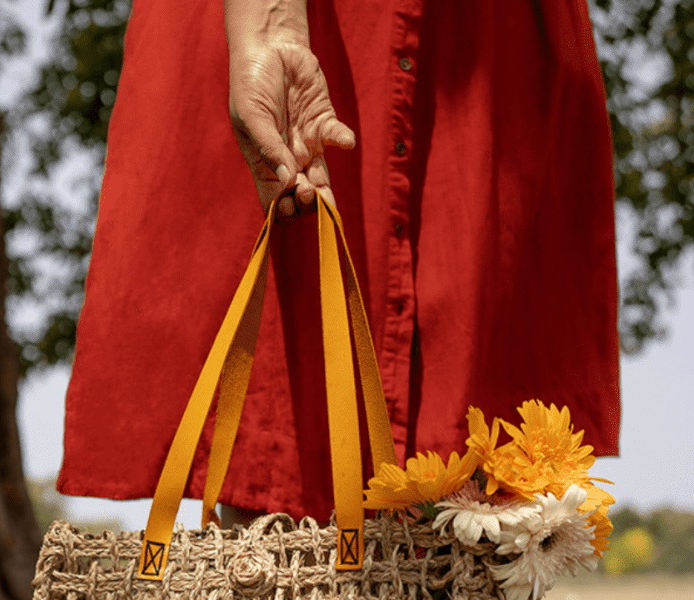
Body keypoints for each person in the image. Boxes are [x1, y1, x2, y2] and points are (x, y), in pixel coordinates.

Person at [57, 0, 620, 525]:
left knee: (489, 468)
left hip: (484, 42)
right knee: (271, 418)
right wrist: (270, 24)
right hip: (297, 21)